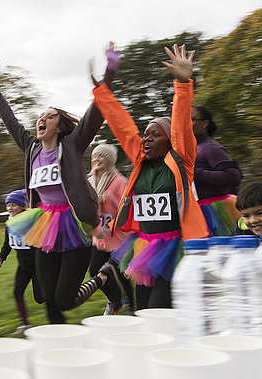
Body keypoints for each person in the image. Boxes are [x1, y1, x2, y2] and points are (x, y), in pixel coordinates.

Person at [0, 42, 125, 324]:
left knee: (63, 299)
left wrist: (110, 70)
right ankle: (59, 346)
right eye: (41, 115)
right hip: (44, 223)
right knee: (46, 298)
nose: (42, 118)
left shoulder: (72, 145)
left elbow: (98, 109)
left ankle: (104, 278)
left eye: (50, 116)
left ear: (60, 126)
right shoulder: (31, 148)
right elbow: (9, 119)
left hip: (75, 224)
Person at [92, 44, 209, 310]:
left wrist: (182, 82)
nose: (146, 138)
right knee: (144, 311)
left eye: (155, 134)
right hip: (144, 247)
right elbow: (122, 126)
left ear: (170, 141)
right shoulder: (139, 161)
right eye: (145, 134)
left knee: (160, 311)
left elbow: (180, 122)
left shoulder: (182, 161)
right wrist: (101, 93)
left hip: (175, 247)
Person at [87, 144, 136, 315]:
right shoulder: (90, 182)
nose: (96, 159)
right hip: (99, 237)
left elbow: (127, 208)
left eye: (101, 156)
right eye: (94, 156)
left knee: (120, 273)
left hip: (118, 237)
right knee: (94, 271)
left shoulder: (119, 181)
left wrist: (109, 200)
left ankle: (130, 306)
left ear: (109, 160)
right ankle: (115, 300)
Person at [0, 189, 44, 333]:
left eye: (14, 205)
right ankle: (24, 324)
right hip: (23, 267)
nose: (10, 208)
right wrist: (1, 257)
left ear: (22, 206)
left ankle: (55, 316)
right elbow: (7, 244)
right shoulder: (9, 223)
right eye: (8, 205)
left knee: (41, 297)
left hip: (38, 266)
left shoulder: (32, 221)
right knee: (17, 292)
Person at [192, 104, 242, 236]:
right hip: (195, 211)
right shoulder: (189, 149)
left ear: (204, 123)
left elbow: (233, 177)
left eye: (191, 119)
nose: (185, 123)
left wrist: (196, 172)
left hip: (217, 211)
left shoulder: (211, 148)